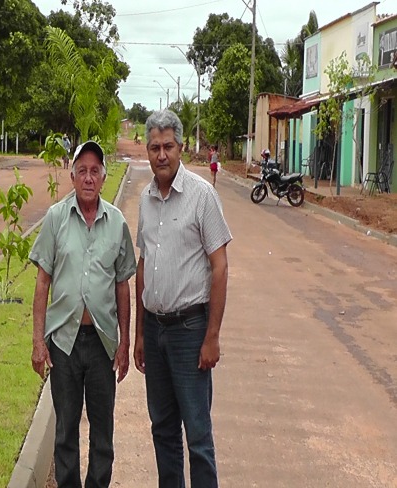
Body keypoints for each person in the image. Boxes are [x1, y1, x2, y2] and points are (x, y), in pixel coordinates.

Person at [30, 140, 137, 488]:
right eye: (82, 171)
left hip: (102, 344)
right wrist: (38, 341)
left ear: (104, 178)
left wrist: (124, 344)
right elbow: (43, 281)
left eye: (95, 171)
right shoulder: (56, 219)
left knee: (102, 435)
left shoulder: (117, 223)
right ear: (73, 177)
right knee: (65, 432)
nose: (88, 178)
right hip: (64, 343)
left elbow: (123, 286)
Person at [134, 109, 232, 488]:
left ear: (182, 147)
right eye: (155, 147)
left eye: (169, 147)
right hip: (156, 331)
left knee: (197, 434)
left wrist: (212, 336)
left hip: (191, 331)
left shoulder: (202, 196)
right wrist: (141, 334)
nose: (162, 155)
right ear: (147, 150)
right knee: (163, 430)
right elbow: (145, 264)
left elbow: (220, 268)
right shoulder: (145, 198)